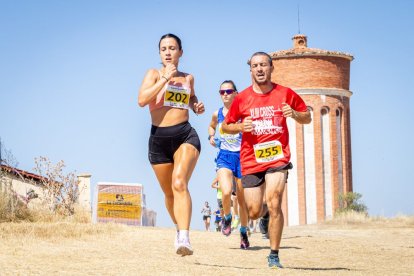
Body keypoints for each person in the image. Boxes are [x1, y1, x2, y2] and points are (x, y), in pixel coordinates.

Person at [222, 52, 311, 268]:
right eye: (255, 66)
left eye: (263, 65)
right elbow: (225, 126)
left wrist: (295, 114)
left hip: (277, 157)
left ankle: (274, 255)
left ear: (271, 68)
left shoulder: (285, 93)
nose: (260, 69)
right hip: (251, 160)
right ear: (250, 70)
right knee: (253, 211)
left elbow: (307, 116)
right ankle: (263, 217)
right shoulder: (241, 98)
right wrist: (240, 127)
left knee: (274, 200)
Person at [138, 33, 205, 256]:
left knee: (179, 183)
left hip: (185, 135)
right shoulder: (153, 74)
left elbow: (192, 97)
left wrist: (196, 105)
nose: (168, 52)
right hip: (158, 139)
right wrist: (164, 80)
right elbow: (142, 100)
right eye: (164, 48)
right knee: (169, 193)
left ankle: (185, 238)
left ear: (180, 52)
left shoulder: (188, 78)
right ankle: (179, 229)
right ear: (159, 53)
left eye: (172, 48)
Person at [208, 80, 250, 249]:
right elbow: (211, 127)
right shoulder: (216, 113)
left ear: (235, 93)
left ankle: (243, 232)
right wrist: (211, 136)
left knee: (242, 200)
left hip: (242, 157)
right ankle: (227, 217)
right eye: (222, 92)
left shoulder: (244, 113)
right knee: (225, 191)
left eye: (228, 91)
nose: (225, 94)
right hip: (224, 156)